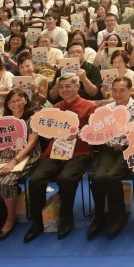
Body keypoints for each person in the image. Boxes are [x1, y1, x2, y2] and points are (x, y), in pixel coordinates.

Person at [23, 73, 96, 243]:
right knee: (36, 180)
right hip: (55, 151)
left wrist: (79, 134)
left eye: (68, 86)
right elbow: (48, 133)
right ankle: (37, 221)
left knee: (66, 179)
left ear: (77, 87)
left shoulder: (90, 106)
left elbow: (94, 133)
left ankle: (66, 216)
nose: (64, 90)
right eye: (61, 87)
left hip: (79, 151)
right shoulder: (55, 108)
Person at [0, 89, 41, 242]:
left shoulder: (32, 118)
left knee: (7, 181)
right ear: (7, 104)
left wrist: (14, 161)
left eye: (19, 100)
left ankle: (10, 219)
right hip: (3, 156)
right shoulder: (4, 120)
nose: (16, 104)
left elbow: (31, 144)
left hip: (26, 156)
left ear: (26, 100)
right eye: (12, 101)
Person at [87, 77, 134, 240]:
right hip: (109, 149)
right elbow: (98, 132)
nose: (117, 94)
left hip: (131, 149)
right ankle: (100, 216)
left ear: (131, 91)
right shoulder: (106, 109)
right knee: (97, 177)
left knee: (112, 176)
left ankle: (118, 216)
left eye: (122, 90)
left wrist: (130, 138)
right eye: (114, 90)